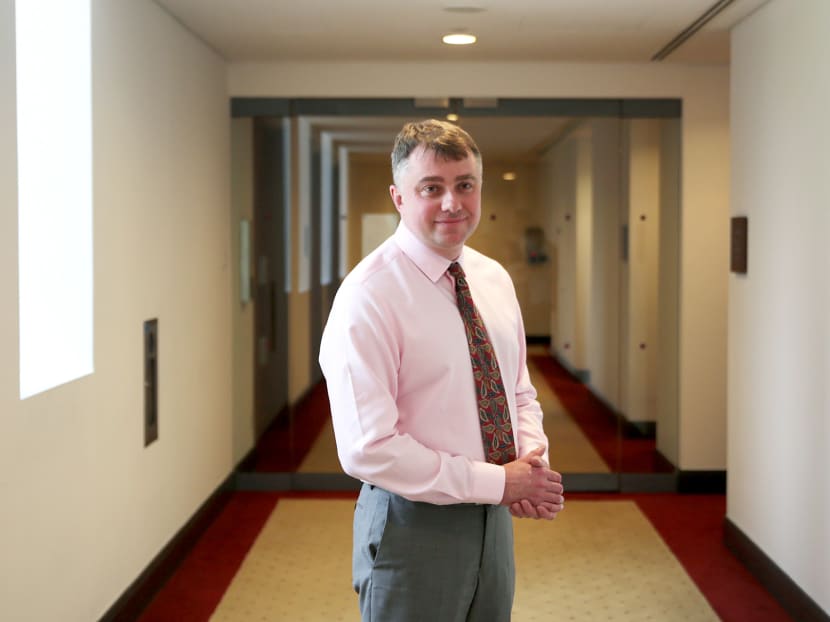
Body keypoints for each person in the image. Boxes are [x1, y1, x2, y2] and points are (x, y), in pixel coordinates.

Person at [318, 119, 564, 621]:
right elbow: (369, 448)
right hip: (412, 525)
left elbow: (518, 390)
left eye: (464, 185)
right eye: (432, 187)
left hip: (493, 522)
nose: (452, 202)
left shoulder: (492, 278)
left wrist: (529, 460)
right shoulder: (369, 296)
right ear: (399, 197)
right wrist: (500, 483)